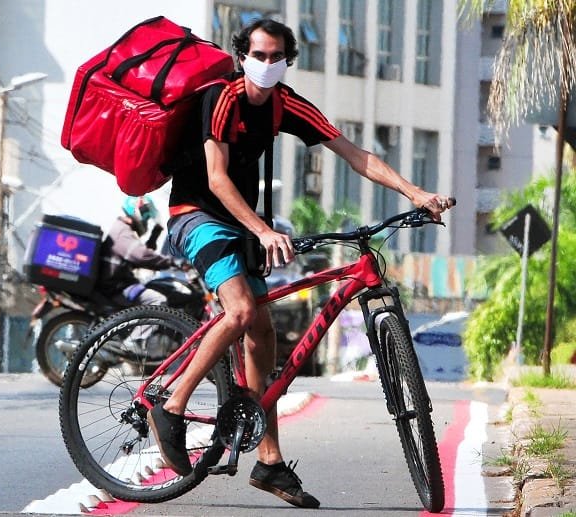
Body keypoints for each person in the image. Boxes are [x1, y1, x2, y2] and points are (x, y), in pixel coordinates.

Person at [148, 18, 454, 509]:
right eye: (259, 55)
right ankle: (171, 405)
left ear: (288, 60)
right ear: (242, 56)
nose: (267, 65)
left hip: (242, 225)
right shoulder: (221, 98)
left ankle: (268, 461)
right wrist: (264, 231)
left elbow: (355, 155)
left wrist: (415, 192)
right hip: (198, 216)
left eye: (276, 57)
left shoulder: (285, 104)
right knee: (240, 311)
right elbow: (217, 178)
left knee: (263, 333)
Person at [97, 197, 183, 347]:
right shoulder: (122, 230)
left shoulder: (123, 229)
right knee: (157, 300)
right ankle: (132, 343)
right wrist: (172, 262)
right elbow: (141, 256)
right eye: (146, 216)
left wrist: (155, 234)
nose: (147, 220)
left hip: (117, 283)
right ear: (137, 210)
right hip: (116, 287)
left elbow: (140, 255)